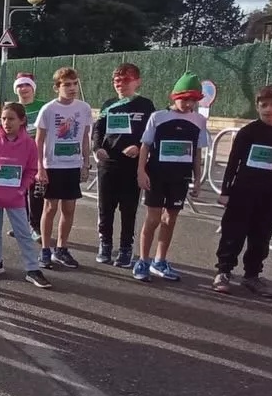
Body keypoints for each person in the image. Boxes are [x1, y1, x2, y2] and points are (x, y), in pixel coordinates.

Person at [213, 85, 272, 296]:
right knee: (233, 233)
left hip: (270, 196)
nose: (268, 109)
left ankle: (252, 276)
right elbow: (233, 163)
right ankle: (223, 271)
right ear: (257, 106)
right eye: (263, 104)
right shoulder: (248, 132)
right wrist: (225, 191)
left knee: (261, 237)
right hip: (243, 192)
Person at [133, 72, 208, 282]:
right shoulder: (158, 117)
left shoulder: (199, 120)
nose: (188, 104)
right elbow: (145, 146)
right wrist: (141, 171)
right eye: (184, 99)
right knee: (153, 218)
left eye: (193, 100)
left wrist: (198, 180)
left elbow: (197, 152)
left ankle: (160, 260)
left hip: (180, 178)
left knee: (170, 218)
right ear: (174, 97)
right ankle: (143, 260)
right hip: (157, 175)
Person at [0, 102, 51, 288]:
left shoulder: (29, 144)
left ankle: (32, 269)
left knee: (23, 233)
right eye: (3, 119)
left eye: (11, 119)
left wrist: (21, 188)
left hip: (16, 198)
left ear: (22, 120)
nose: (6, 123)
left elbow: (31, 169)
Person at [92, 63, 155, 268]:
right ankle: (105, 244)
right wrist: (96, 148)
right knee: (105, 208)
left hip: (132, 166)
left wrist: (138, 147)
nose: (121, 84)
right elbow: (98, 129)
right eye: (117, 80)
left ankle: (126, 247)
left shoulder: (146, 105)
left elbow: (151, 134)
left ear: (137, 81)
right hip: (108, 165)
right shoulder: (108, 104)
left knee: (128, 209)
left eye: (126, 80)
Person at [35, 67, 93, 270]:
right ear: (57, 87)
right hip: (52, 166)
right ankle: (45, 250)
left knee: (69, 208)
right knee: (50, 208)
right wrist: (40, 168)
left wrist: (86, 163)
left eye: (75, 83)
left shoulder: (84, 108)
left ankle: (62, 248)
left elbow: (85, 137)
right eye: (67, 84)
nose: (72, 88)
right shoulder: (49, 109)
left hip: (73, 165)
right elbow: (39, 140)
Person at [12, 73, 44, 241]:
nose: (23, 89)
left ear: (33, 88)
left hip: (39, 156)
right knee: (19, 192)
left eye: (26, 85)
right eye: (19, 86)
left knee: (37, 193)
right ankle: (21, 226)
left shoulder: (44, 106)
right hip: (18, 156)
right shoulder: (12, 107)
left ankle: (35, 226)